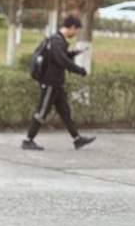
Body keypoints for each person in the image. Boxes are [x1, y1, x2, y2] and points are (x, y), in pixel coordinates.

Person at [22, 16, 95, 150]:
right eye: (76, 31)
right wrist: (81, 71)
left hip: (57, 83)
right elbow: (62, 61)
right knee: (42, 111)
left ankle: (77, 139)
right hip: (50, 82)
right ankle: (28, 140)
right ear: (72, 27)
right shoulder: (56, 41)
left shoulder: (58, 40)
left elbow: (60, 58)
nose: (75, 34)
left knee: (65, 112)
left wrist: (72, 53)